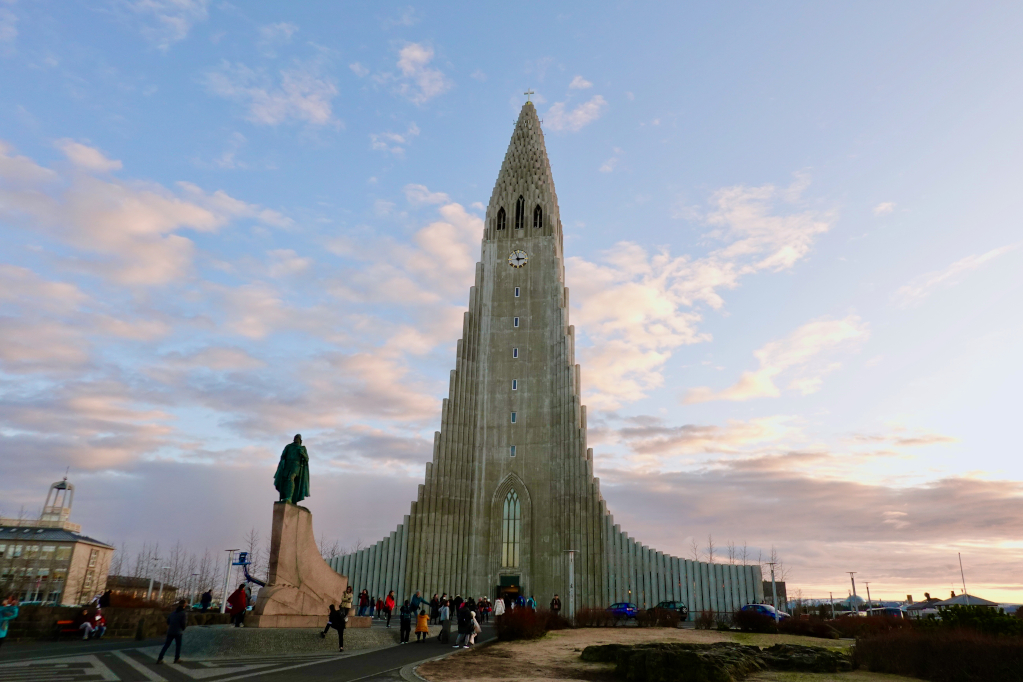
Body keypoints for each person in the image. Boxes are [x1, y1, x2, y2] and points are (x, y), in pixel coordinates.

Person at [156, 601, 187, 665]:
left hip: (170, 631)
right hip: (178, 631)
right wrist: (183, 628)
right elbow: (183, 623)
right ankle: (176, 658)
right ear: (184, 605)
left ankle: (160, 658)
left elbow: (168, 621)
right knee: (178, 645)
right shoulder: (183, 613)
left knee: (166, 645)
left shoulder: (173, 613)